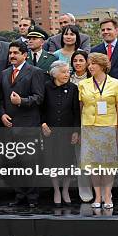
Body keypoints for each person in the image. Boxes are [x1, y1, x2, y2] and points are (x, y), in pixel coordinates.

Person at [0, 41, 45, 207]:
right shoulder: (4, 73)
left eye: (16, 53)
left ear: (25, 55)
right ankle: (19, 195)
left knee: (30, 163)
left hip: (28, 126)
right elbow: (0, 100)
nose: (12, 55)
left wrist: (22, 101)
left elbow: (39, 97)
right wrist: (2, 114)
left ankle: (32, 198)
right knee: (14, 164)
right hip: (9, 127)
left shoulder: (35, 72)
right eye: (10, 53)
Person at [79, 52, 118, 209]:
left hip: (108, 128)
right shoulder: (83, 84)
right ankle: (97, 196)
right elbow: (80, 108)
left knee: (108, 164)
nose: (90, 66)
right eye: (89, 63)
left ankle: (107, 196)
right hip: (89, 128)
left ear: (103, 66)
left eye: (94, 63)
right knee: (93, 165)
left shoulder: (116, 83)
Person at [41, 61, 80, 206]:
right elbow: (41, 108)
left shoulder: (73, 88)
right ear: (54, 73)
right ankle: (56, 190)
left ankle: (66, 190)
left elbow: (77, 112)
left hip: (67, 132)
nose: (67, 74)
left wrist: (76, 131)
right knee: (53, 161)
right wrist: (43, 123)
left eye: (68, 72)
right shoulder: (46, 87)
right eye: (63, 72)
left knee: (67, 161)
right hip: (50, 132)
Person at [69, 49, 93, 203]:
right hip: (74, 124)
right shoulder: (67, 79)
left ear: (87, 63)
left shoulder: (94, 80)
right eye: (75, 60)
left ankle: (99, 189)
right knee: (80, 160)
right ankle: (85, 192)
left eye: (81, 60)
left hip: (93, 123)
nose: (77, 63)